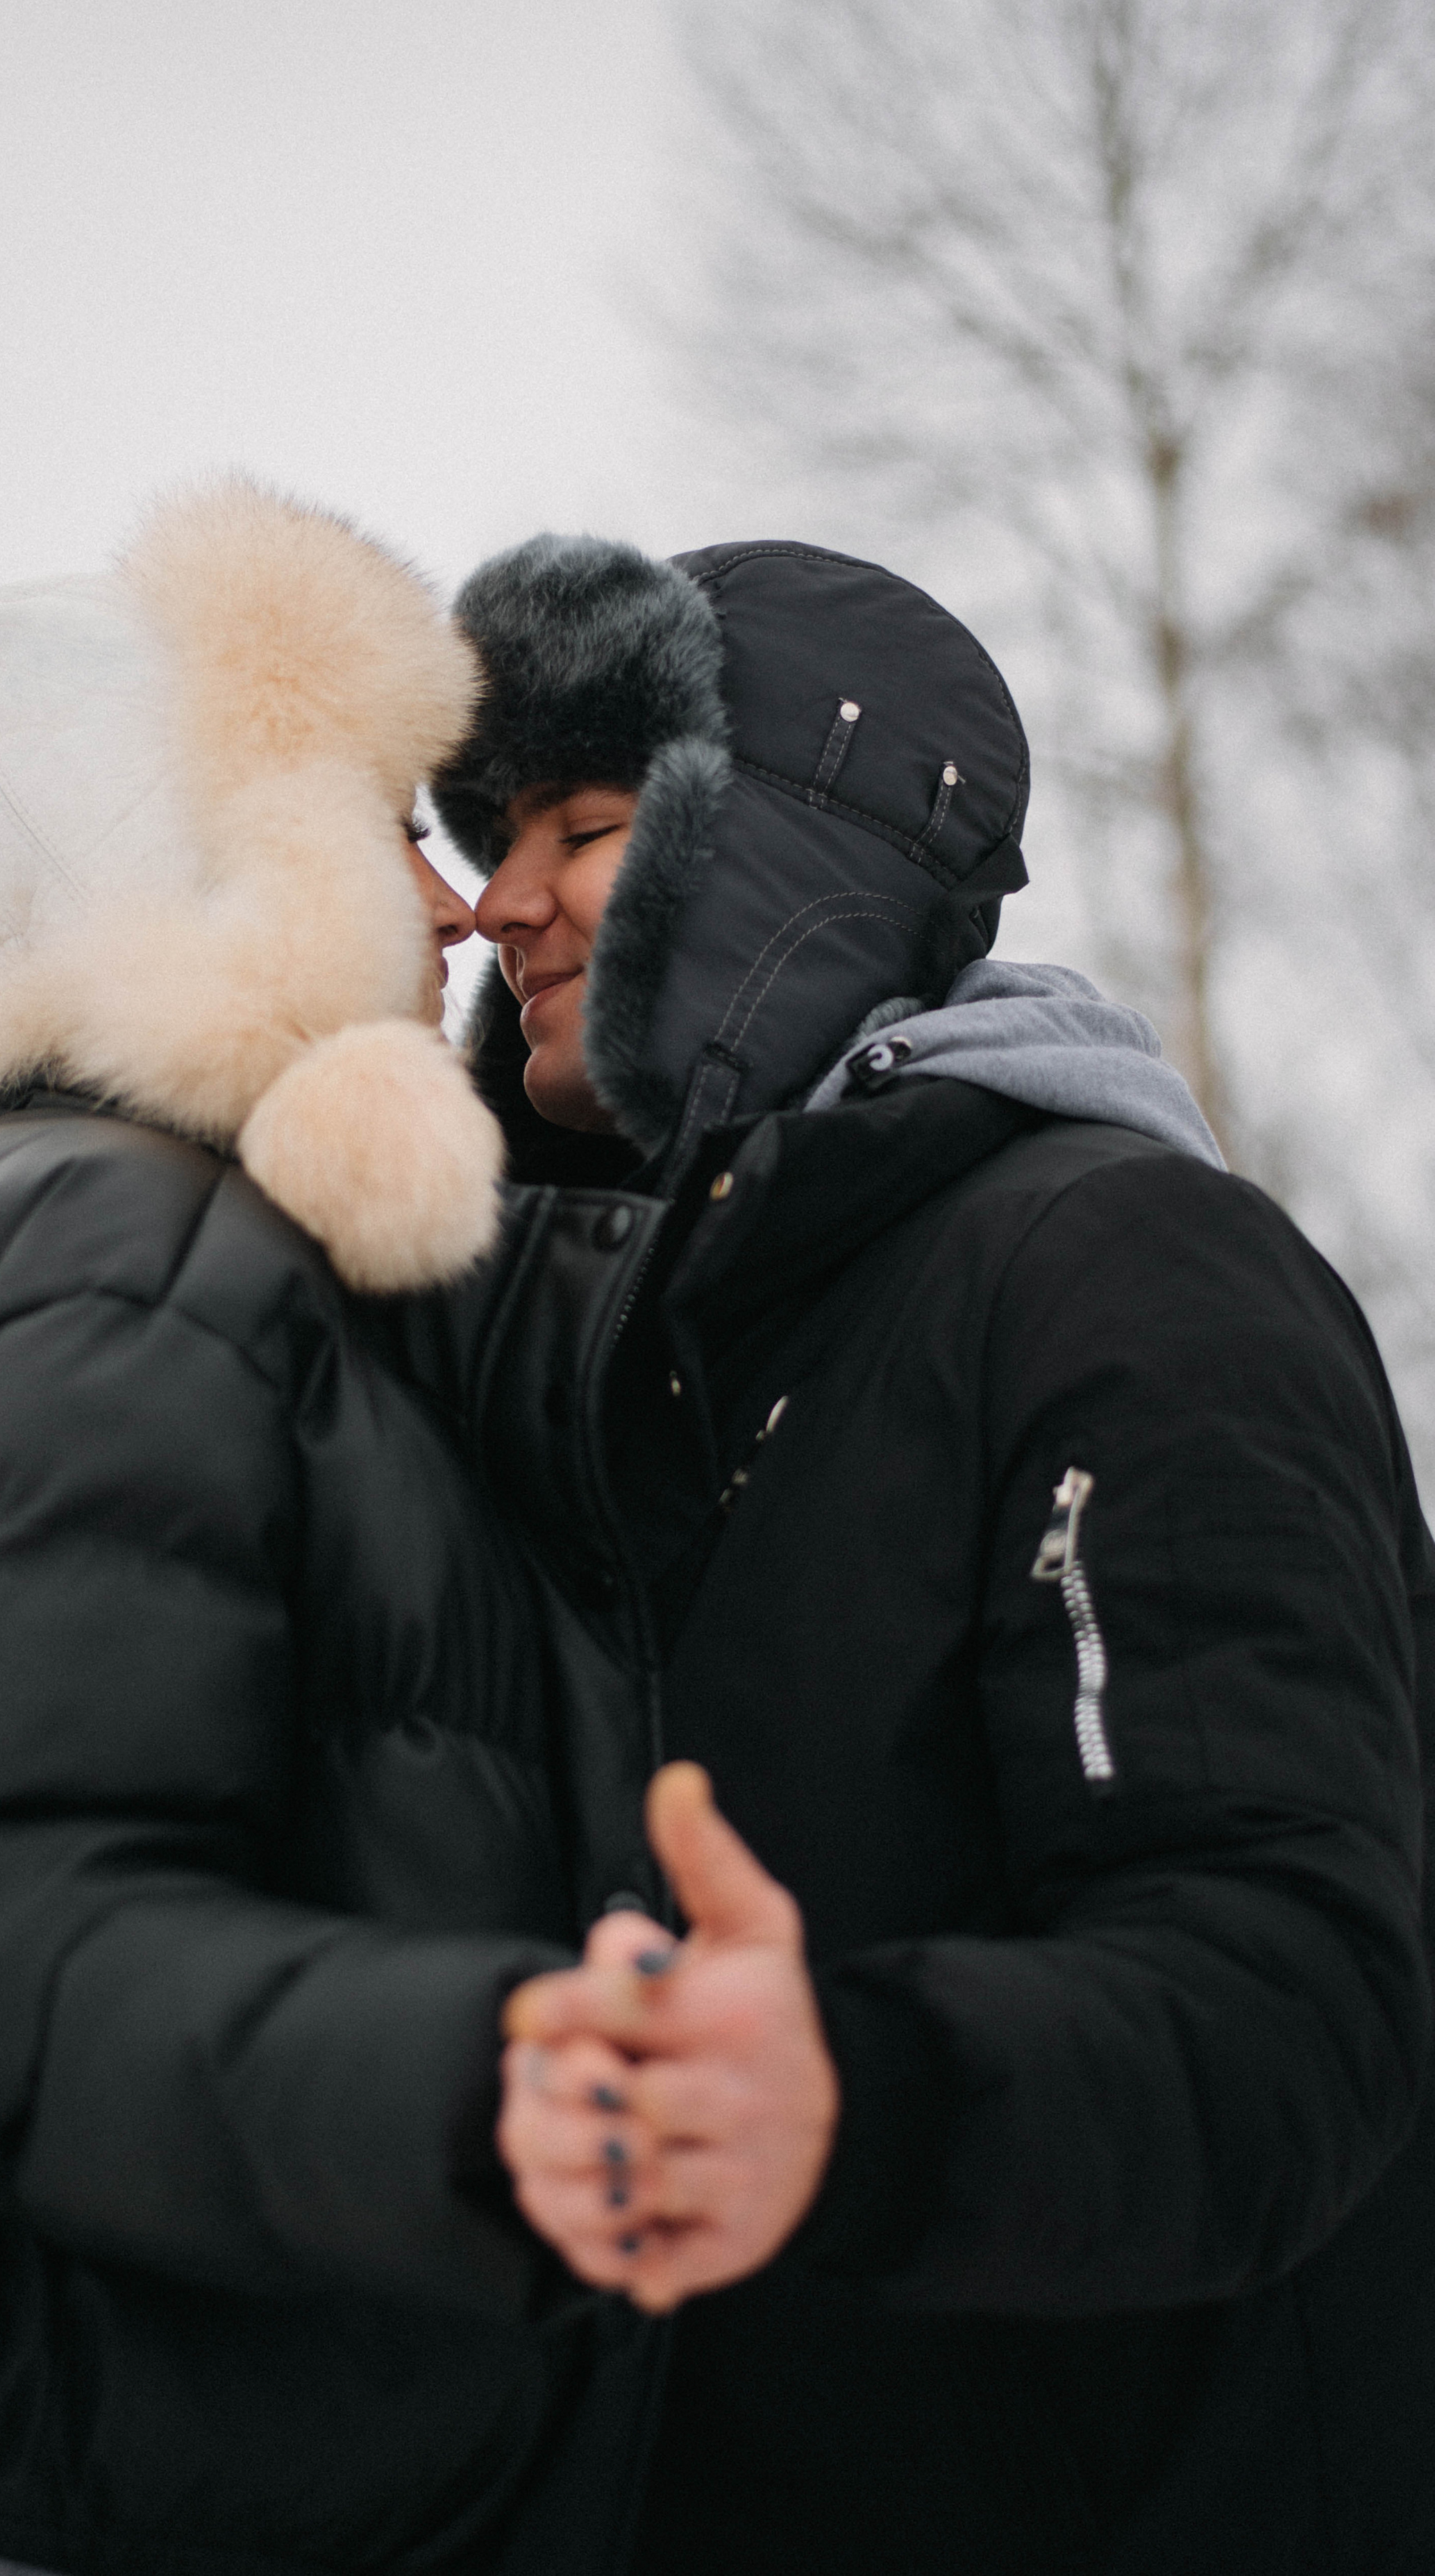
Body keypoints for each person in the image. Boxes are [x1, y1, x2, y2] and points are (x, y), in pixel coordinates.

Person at [0, 483, 664, 2576]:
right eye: (384, 823)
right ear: (238, 858)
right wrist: (514, 2087)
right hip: (24, 2487)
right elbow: (17, 1922)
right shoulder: (140, 1260)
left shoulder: (106, 1236)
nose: (460, 904)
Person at [420, 533, 1435, 2575]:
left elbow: (1289, 1994)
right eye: (486, 832)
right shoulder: (646, 1384)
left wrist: (858, 2105)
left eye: (590, 824)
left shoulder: (1118, 1269)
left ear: (788, 854)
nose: (501, 901)